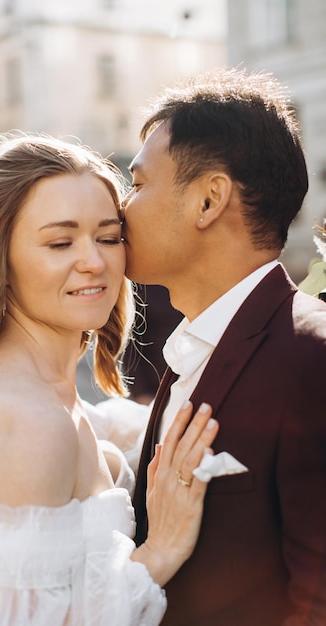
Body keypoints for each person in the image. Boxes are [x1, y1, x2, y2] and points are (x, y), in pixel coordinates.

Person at [0, 132, 220, 625]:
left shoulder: (44, 396)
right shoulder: (27, 423)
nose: (95, 261)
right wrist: (161, 553)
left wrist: (121, 435)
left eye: (108, 237)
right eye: (60, 242)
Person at [122, 67, 326, 625]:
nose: (121, 210)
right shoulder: (190, 345)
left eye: (137, 185)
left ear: (209, 200)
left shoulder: (314, 356)